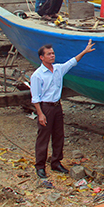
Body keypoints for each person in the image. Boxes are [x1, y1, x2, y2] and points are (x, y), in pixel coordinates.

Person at [31, 39, 95, 178]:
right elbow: (35, 97)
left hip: (57, 106)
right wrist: (40, 114)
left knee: (59, 135)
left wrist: (84, 51)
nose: (52, 56)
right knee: (43, 137)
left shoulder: (58, 69)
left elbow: (72, 62)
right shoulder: (37, 75)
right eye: (49, 54)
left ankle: (56, 162)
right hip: (46, 107)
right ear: (42, 57)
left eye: (53, 53)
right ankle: (40, 166)